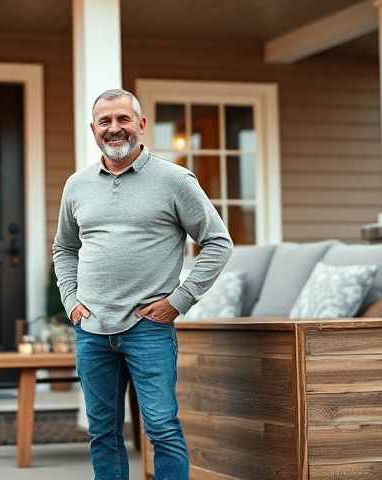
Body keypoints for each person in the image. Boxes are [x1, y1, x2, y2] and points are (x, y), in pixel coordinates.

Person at [52, 88, 234, 480]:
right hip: (92, 329)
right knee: (102, 433)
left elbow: (219, 242)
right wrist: (71, 300)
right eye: (105, 121)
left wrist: (180, 300)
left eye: (123, 119)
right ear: (94, 129)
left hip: (148, 329)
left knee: (162, 429)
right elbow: (64, 248)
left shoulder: (174, 180)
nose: (114, 129)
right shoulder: (77, 186)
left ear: (141, 124)